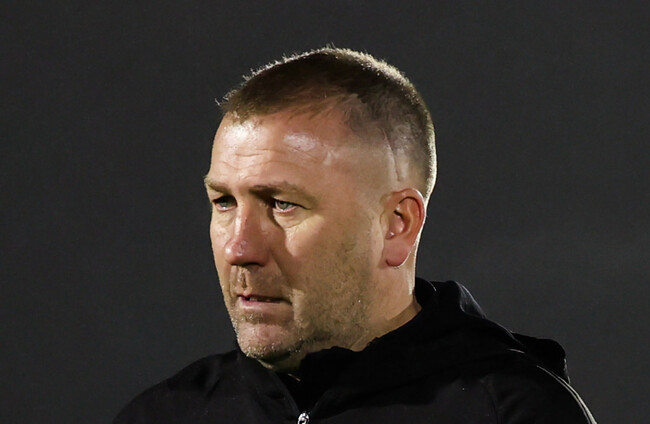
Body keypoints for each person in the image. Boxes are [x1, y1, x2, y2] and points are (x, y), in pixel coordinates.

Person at [114, 47, 596, 423]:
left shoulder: (512, 413)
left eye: (282, 204)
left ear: (397, 225)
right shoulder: (163, 415)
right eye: (224, 202)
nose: (239, 248)